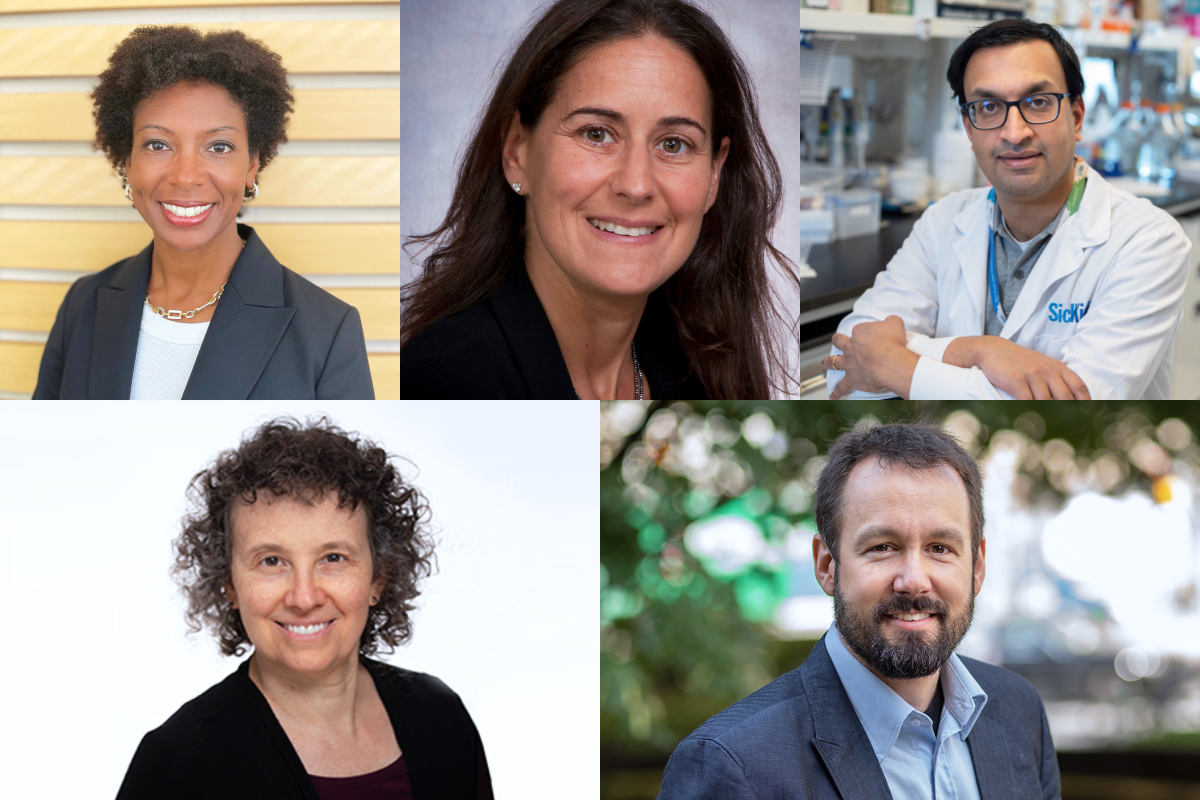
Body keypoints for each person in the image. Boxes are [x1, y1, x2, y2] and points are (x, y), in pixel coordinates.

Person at [401, 0, 798, 400]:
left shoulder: (699, 372)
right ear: (517, 151)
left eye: (673, 144)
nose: (636, 184)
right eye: (596, 134)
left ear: (715, 174)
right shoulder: (439, 383)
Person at [658, 423, 1060, 799]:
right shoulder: (731, 764)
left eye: (940, 548)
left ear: (977, 567)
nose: (914, 580)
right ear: (827, 566)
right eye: (883, 546)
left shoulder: (1019, 711)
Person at [116, 418, 492, 800]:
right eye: (271, 561)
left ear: (378, 576)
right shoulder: (177, 763)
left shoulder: (441, 717)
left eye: (333, 557)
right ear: (229, 582)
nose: (304, 597)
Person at [822, 19, 1189, 401]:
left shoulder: (1147, 241)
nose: (1015, 133)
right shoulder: (943, 221)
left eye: (1037, 102)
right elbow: (844, 360)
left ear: (1076, 116)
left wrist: (897, 365)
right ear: (969, 127)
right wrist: (979, 350)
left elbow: (1077, 408)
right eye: (989, 107)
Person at [34, 26, 373, 399]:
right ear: (128, 163)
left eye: (220, 146)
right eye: (158, 144)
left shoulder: (327, 330)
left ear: (252, 166)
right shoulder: (83, 305)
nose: (186, 176)